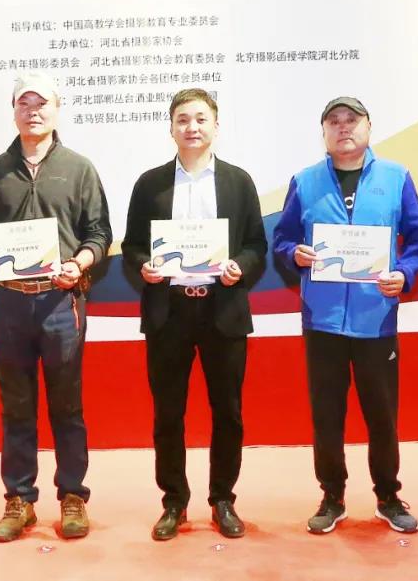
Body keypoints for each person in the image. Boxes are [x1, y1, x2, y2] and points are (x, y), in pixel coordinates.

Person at [0, 70, 112, 542]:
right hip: (9, 304)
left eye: (42, 103)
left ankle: (72, 496)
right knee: (16, 405)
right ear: (14, 112)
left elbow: (99, 234)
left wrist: (80, 262)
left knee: (67, 404)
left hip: (60, 303)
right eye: (24, 103)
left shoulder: (80, 169)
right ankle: (19, 499)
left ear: (57, 109)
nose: (33, 111)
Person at [273, 96, 418, 535]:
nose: (343, 127)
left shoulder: (396, 177)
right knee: (326, 413)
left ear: (368, 126)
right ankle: (332, 496)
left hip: (376, 318)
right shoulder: (305, 181)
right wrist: (294, 254)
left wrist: (405, 272)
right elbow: (282, 240)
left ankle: (388, 496)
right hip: (321, 320)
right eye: (334, 121)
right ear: (324, 132)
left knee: (382, 414)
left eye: (352, 119)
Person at [122, 88, 267, 541]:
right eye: (183, 119)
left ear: (216, 127)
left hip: (223, 310)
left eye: (201, 119)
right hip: (169, 311)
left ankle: (223, 499)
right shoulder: (150, 184)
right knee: (168, 413)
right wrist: (143, 268)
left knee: (228, 412)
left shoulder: (238, 182)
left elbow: (256, 245)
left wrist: (239, 266)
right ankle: (174, 502)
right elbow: (132, 247)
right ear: (171, 128)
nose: (192, 127)